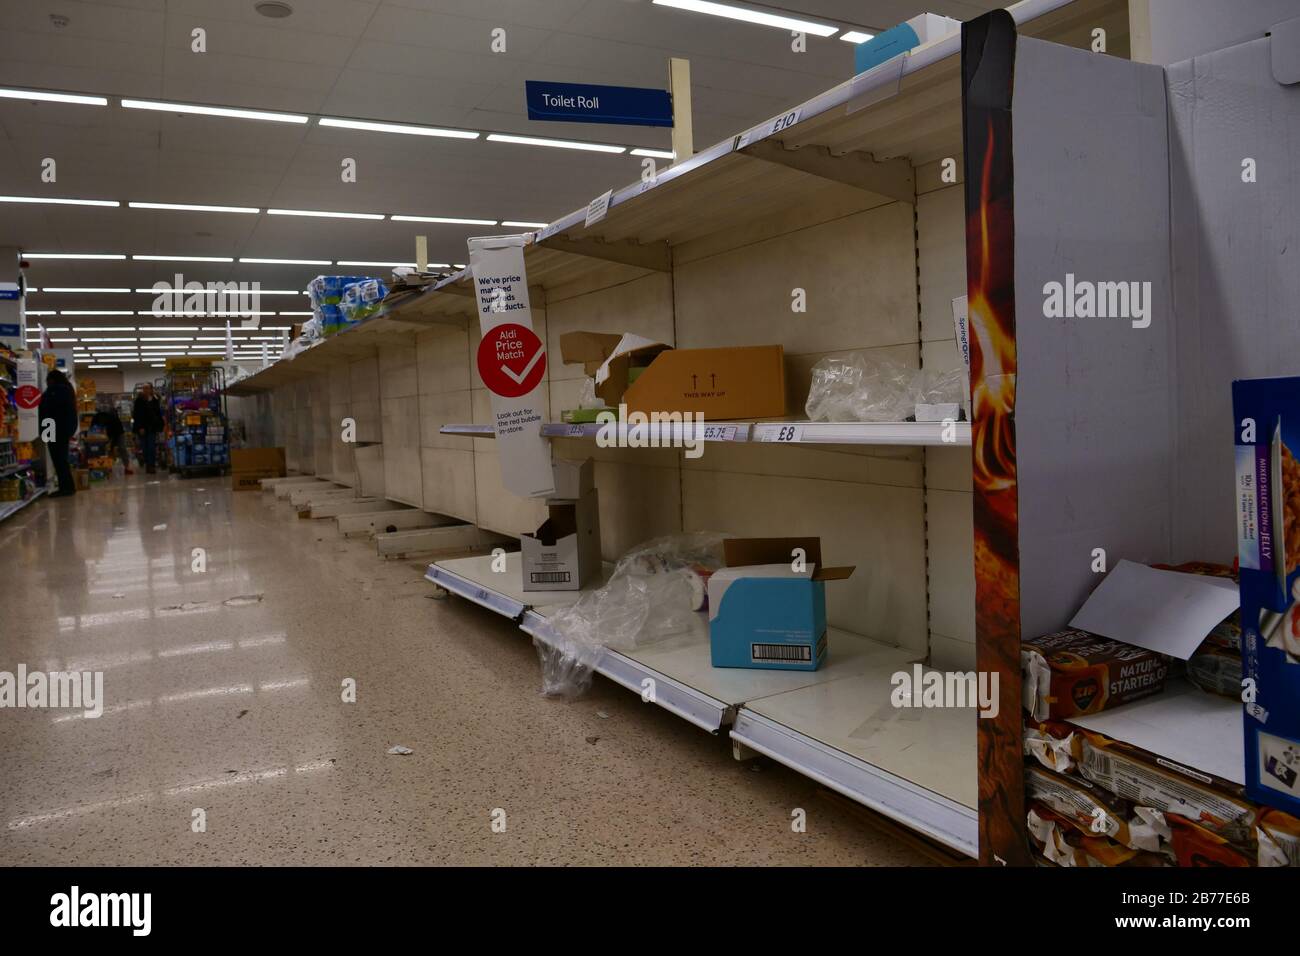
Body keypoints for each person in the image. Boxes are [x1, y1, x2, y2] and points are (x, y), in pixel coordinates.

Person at [38, 368, 79, 498]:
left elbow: (47, 411)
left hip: (54, 430)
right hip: (60, 430)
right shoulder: (67, 390)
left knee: (59, 460)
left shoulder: (55, 391)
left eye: (48, 380)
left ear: (52, 380)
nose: (47, 383)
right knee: (61, 460)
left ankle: (66, 488)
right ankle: (67, 487)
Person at [132, 384, 165, 475]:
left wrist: (160, 424)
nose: (145, 390)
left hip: (152, 427)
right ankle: (147, 463)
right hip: (142, 427)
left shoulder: (155, 399)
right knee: (144, 447)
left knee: (151, 447)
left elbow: (158, 412)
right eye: (144, 388)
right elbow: (136, 415)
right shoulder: (139, 400)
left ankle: (151, 465)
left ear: (151, 389)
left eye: (147, 388)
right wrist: (140, 427)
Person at [91, 407, 132, 475]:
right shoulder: (97, 418)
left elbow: (114, 435)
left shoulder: (112, 421)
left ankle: (127, 467)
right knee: (109, 450)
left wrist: (111, 445)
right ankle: (109, 467)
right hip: (111, 434)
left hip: (119, 433)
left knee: (122, 448)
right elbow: (93, 428)